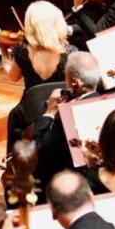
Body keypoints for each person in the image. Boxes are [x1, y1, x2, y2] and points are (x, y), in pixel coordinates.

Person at [2, 0, 77, 149]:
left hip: (28, 114)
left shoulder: (22, 50)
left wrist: (3, 52)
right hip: (59, 114)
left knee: (14, 114)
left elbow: (13, 76)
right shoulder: (71, 52)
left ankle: (17, 163)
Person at [31, 51, 100, 195]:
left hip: (73, 181)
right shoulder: (107, 101)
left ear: (74, 82)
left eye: (66, 78)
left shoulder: (67, 115)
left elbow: (39, 149)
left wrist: (50, 112)